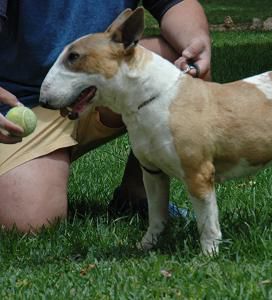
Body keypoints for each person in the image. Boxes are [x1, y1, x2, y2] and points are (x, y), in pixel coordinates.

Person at [0, 0, 211, 232]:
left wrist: (195, 41)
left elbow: (175, 4)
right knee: (29, 223)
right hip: (21, 102)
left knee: (180, 70)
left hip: (99, 84)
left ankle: (137, 196)